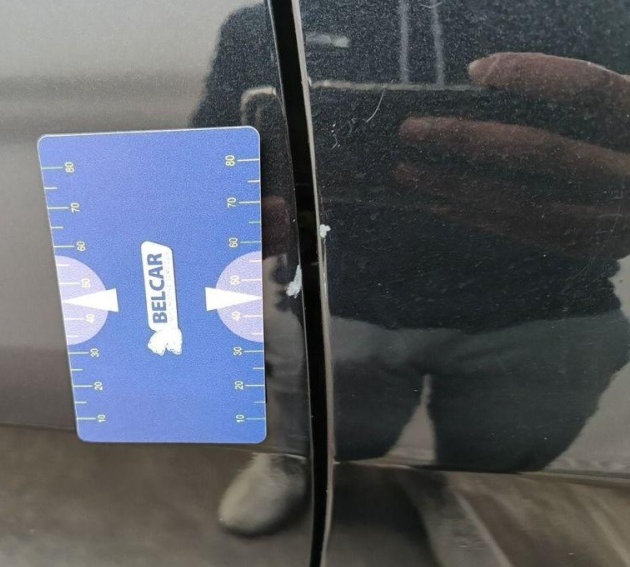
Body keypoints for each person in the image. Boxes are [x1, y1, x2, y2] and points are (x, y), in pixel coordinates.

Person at [195, 0, 630, 536]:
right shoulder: (260, 25)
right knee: (332, 434)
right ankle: (298, 461)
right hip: (341, 305)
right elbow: (208, 153)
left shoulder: (606, 13)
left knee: (499, 459)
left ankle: (456, 492)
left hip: (545, 314)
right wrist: (226, 202)